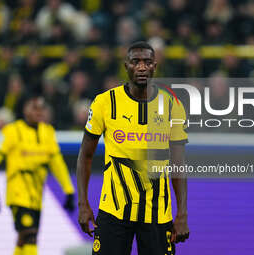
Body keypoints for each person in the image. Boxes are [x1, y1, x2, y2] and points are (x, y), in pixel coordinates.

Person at [77, 41, 189, 255]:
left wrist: (182, 212)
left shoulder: (172, 104)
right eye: (135, 62)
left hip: (158, 214)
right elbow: (86, 155)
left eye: (147, 62)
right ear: (126, 66)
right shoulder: (105, 103)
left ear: (155, 66)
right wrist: (83, 203)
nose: (141, 67)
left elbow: (178, 162)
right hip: (114, 211)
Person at [0, 94, 75, 255]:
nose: (39, 112)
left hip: (36, 196)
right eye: (34, 108)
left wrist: (68, 190)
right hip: (18, 193)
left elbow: (57, 164)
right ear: (24, 109)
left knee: (23, 239)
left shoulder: (48, 132)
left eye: (41, 108)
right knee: (30, 236)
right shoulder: (11, 131)